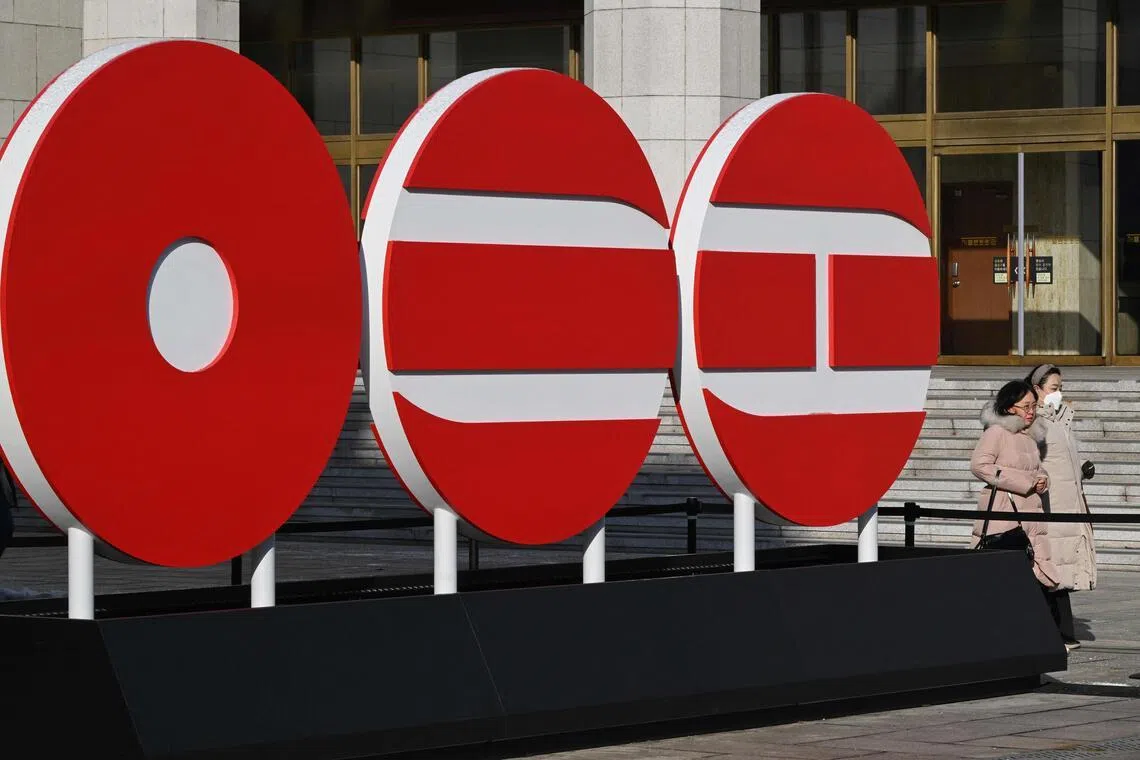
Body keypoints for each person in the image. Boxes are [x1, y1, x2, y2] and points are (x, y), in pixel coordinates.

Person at [969, 380, 1061, 614]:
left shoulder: (1028, 435)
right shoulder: (997, 432)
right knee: (1007, 580)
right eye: (1025, 406)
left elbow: (1036, 469)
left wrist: (1042, 480)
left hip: (1031, 516)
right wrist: (1025, 482)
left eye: (1033, 406)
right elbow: (980, 465)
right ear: (1010, 407)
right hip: (1005, 516)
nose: (1031, 411)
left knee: (1035, 577)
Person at [1027, 363, 1096, 651]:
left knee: (1061, 569)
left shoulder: (1061, 420)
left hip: (1070, 501)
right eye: (1054, 388)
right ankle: (1052, 633)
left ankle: (1062, 632)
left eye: (1060, 388)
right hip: (1049, 504)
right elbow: (1031, 461)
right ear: (1037, 389)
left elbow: (1062, 456)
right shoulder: (1034, 423)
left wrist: (1082, 468)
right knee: (1050, 567)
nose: (1059, 394)